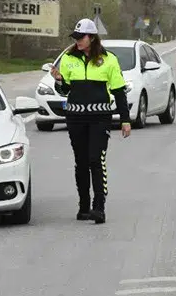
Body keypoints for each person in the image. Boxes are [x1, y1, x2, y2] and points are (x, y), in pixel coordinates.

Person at [51, 18, 131, 224]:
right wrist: (59, 80)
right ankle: (84, 205)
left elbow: (119, 91)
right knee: (81, 162)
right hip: (76, 118)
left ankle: (99, 206)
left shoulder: (109, 59)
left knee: (96, 159)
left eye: (81, 37)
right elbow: (65, 90)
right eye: (75, 37)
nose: (77, 41)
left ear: (92, 37)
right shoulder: (68, 58)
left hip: (100, 118)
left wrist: (125, 120)